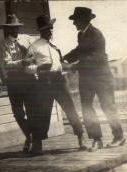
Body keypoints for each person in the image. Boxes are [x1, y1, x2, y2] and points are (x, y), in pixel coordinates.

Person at [63, 7, 125, 152]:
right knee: (86, 108)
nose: (74, 24)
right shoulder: (81, 35)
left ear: (84, 20)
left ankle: (119, 136)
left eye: (76, 21)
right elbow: (79, 51)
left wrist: (74, 66)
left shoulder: (97, 34)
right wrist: (63, 58)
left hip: (102, 78)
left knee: (108, 106)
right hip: (86, 79)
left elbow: (97, 58)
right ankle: (97, 139)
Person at [24, 15, 86, 155]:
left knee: (70, 107)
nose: (50, 31)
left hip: (59, 81)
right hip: (44, 82)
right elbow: (26, 68)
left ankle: (81, 138)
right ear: (41, 30)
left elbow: (60, 65)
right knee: (42, 113)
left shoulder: (54, 47)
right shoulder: (34, 47)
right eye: (47, 29)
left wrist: (70, 67)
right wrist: (38, 69)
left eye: (51, 28)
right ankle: (37, 144)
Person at [1, 14, 36, 153]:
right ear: (8, 29)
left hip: (28, 79)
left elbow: (36, 54)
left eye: (17, 27)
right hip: (14, 80)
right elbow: (6, 63)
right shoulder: (4, 43)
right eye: (12, 28)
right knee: (18, 113)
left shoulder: (27, 39)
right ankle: (29, 136)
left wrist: (29, 57)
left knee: (31, 110)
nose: (15, 30)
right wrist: (21, 62)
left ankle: (34, 139)